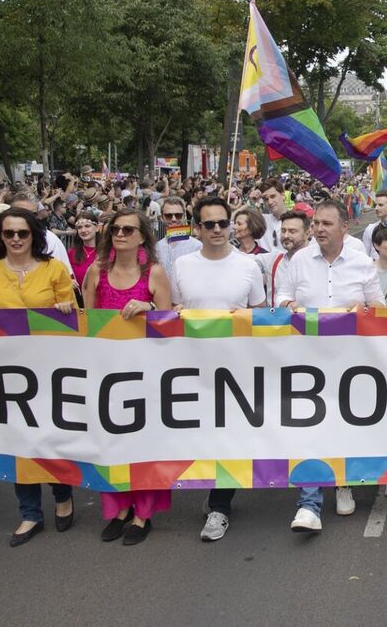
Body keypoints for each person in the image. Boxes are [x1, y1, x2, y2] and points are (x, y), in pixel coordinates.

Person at [0, 208, 77, 546]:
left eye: (22, 233)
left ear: (34, 236)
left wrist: (64, 309)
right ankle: (29, 513)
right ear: (0, 236)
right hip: (6, 373)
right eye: (9, 233)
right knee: (17, 442)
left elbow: (72, 315)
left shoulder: (54, 269)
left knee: (52, 436)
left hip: (50, 370)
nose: (15, 239)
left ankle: (62, 497)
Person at [278, 201, 385, 533]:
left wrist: (363, 309)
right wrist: (290, 305)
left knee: (345, 424)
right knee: (311, 427)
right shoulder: (297, 262)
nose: (319, 229)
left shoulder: (362, 263)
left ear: (344, 226)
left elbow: (379, 306)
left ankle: (343, 483)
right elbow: (280, 298)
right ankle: (309, 504)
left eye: (326, 223)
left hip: (350, 361)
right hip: (307, 361)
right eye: (316, 223)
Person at [170, 196, 266, 542]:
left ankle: (219, 506)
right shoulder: (182, 266)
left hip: (235, 368)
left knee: (227, 437)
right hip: (190, 367)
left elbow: (261, 314)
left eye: (222, 223)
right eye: (208, 224)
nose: (216, 230)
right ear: (197, 228)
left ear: (232, 225)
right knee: (198, 435)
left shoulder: (248, 267)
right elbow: (170, 311)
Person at [83, 209, 172, 545]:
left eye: (128, 229)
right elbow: (87, 322)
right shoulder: (97, 271)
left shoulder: (155, 273)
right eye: (115, 229)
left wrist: (148, 309)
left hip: (145, 372)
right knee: (113, 442)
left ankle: (142, 514)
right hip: (107, 371)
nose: (120, 234)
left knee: (144, 442)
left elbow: (168, 321)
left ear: (141, 236)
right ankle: (119, 507)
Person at [8, 192, 73, 278]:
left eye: (32, 214)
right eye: (20, 213)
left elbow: (64, 277)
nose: (27, 218)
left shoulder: (50, 240)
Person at [265, 210, 311, 308]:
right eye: (283, 231)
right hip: (280, 321)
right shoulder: (274, 261)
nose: (286, 236)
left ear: (307, 233)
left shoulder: (318, 261)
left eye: (292, 231)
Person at [155, 196, 202, 283]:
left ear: (184, 216)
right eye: (168, 216)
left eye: (178, 215)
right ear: (162, 217)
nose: (174, 219)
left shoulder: (197, 246)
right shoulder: (156, 248)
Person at [68, 209, 100, 287]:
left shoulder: (107, 251)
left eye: (87, 226)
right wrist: (69, 281)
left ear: (97, 228)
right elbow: (65, 274)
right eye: (79, 227)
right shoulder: (71, 253)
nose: (83, 230)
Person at [362, 190, 387, 258]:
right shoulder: (370, 229)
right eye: (375, 205)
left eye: (380, 205)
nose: (376, 208)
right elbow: (364, 255)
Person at [258, 179, 289, 252]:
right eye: (266, 199)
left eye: (273, 196)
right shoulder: (261, 221)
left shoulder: (296, 222)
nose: (270, 202)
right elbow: (230, 222)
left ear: (283, 195)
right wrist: (251, 202)